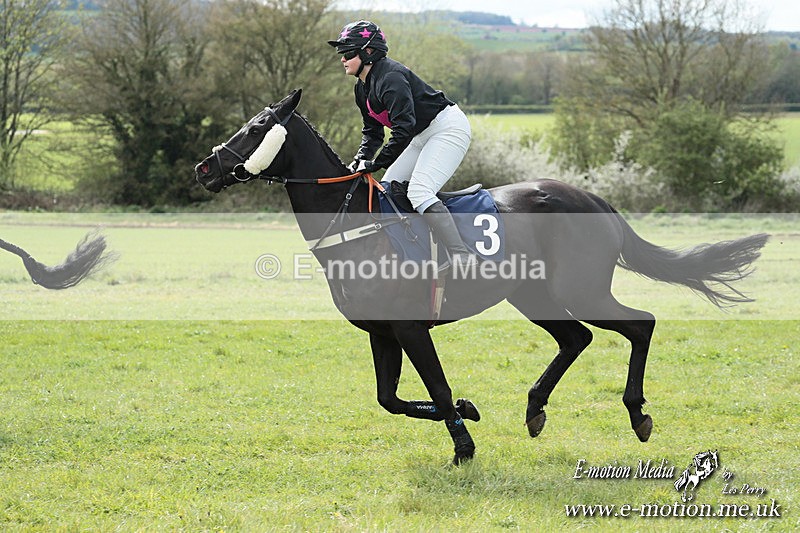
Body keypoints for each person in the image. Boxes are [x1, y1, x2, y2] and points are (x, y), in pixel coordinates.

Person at [327, 20, 476, 269]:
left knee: (419, 191)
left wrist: (375, 163)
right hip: (420, 135)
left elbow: (402, 130)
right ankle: (414, 247)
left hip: (447, 128)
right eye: (341, 53)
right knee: (387, 189)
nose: (342, 58)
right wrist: (360, 159)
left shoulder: (391, 78)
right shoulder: (361, 88)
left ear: (368, 52)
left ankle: (461, 254)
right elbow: (372, 132)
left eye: (348, 52)